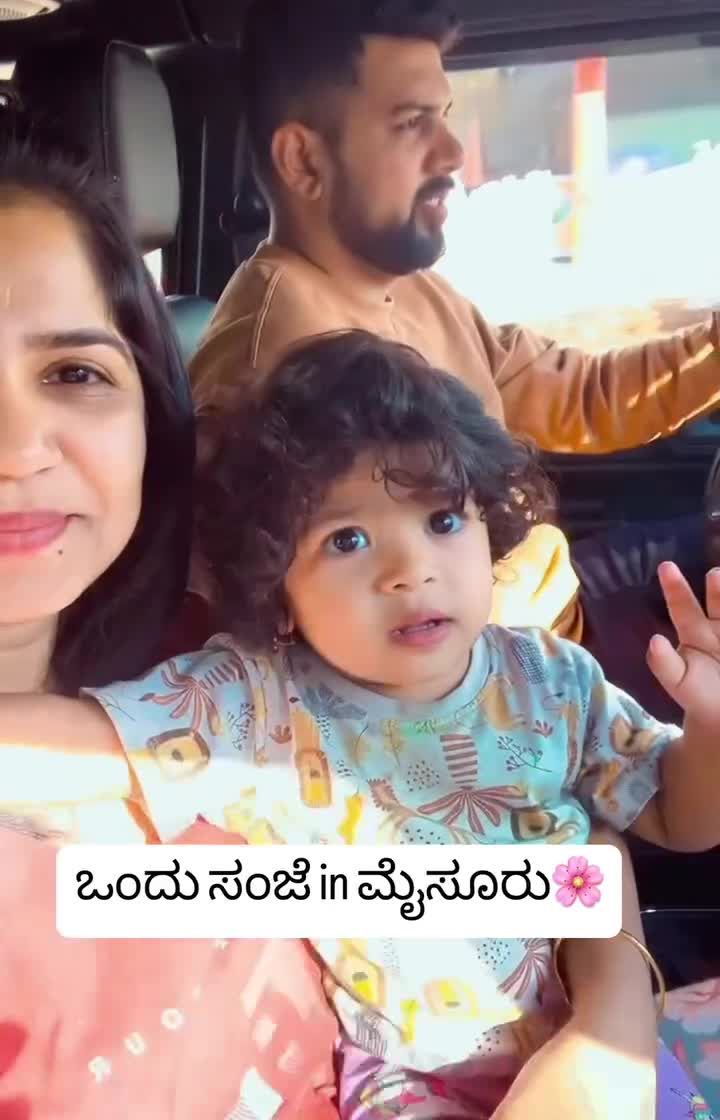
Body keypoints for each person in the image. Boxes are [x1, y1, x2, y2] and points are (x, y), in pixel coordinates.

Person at [1, 331, 715, 1118]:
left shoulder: (553, 678)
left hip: (594, 1037)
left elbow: (679, 816)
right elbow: (66, 746)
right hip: (418, 1081)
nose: (411, 569)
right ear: (275, 587)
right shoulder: (256, 701)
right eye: (348, 539)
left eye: (443, 519)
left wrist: (712, 728)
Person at [189, 0, 720, 723]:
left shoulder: (410, 288)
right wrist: (500, 614)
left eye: (442, 118)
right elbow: (301, 654)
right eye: (413, 124)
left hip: (545, 638)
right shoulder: (275, 363)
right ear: (304, 160)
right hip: (493, 700)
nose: (450, 154)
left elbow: (579, 396)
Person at [0, 112, 338, 1119]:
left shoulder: (226, 668)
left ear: (149, 412)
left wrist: (606, 1020)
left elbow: (517, 823)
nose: (19, 448)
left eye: (74, 374)